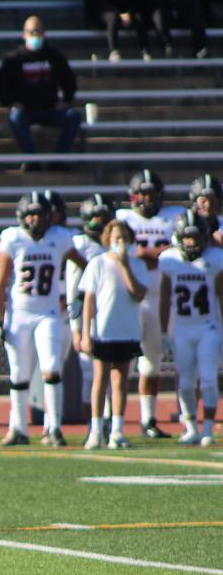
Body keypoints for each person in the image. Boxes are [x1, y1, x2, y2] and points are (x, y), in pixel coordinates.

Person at [0, 191, 87, 446]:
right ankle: (18, 429)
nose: (35, 220)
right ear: (22, 217)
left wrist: (71, 295)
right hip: (19, 313)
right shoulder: (12, 238)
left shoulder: (60, 238)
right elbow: (0, 283)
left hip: (48, 313)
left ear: (48, 216)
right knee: (19, 374)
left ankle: (54, 428)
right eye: (30, 214)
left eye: (39, 214)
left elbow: (84, 266)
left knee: (52, 368)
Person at [116, 168, 185, 437]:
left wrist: (146, 252)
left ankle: (147, 420)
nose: (147, 198)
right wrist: (152, 253)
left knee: (152, 362)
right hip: (130, 300)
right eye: (143, 193)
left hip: (160, 300)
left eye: (151, 193)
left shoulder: (173, 217)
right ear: (134, 196)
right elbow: (122, 248)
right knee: (120, 362)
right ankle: (114, 418)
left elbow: (180, 247)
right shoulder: (123, 218)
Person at [79, 220, 149, 449]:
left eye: (124, 238)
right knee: (100, 378)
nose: (120, 242)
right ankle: (96, 430)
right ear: (108, 239)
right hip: (104, 330)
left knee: (120, 380)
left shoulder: (137, 265)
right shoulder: (97, 263)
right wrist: (86, 333)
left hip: (127, 329)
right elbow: (89, 300)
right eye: (116, 238)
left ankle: (117, 431)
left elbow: (138, 294)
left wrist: (125, 266)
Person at [159, 211, 223, 444]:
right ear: (178, 237)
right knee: (185, 382)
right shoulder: (169, 259)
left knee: (207, 378)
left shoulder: (215, 259)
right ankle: (190, 428)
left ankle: (207, 428)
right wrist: (164, 331)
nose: (192, 242)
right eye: (187, 238)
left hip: (208, 326)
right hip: (183, 329)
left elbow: (221, 296)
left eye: (196, 237)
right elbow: (165, 299)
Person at [0, 16, 80, 166]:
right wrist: (11, 102)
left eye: (39, 32)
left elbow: (69, 81)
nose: (35, 36)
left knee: (73, 116)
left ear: (44, 34)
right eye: (31, 32)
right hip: (26, 111)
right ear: (24, 34)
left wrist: (65, 101)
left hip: (50, 108)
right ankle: (31, 160)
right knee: (16, 117)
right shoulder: (13, 59)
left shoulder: (54, 57)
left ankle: (59, 160)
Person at [69, 193, 117, 407]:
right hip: (90, 316)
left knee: (116, 370)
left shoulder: (117, 244)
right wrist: (77, 328)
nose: (99, 222)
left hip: (114, 314)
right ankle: (94, 422)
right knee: (91, 372)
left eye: (103, 217)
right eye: (95, 217)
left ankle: (110, 421)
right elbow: (74, 292)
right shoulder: (79, 244)